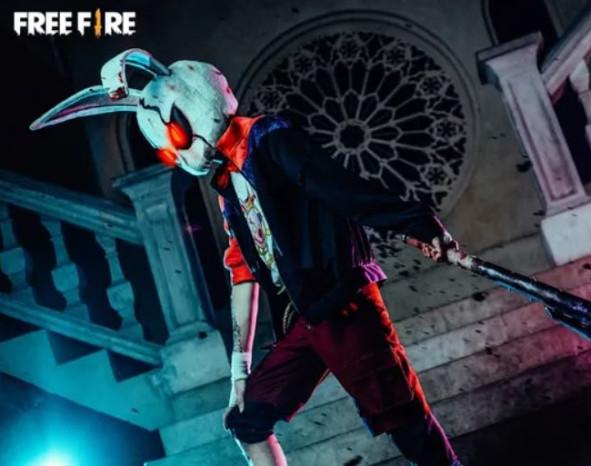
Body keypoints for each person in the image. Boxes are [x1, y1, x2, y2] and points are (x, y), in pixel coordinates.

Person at [30, 49, 461, 466]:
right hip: (305, 319)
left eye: (175, 136)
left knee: (407, 423)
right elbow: (243, 273)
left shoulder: (270, 139)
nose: (178, 153)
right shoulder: (227, 182)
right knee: (247, 420)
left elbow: (340, 189)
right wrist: (240, 374)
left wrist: (419, 225)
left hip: (345, 305)